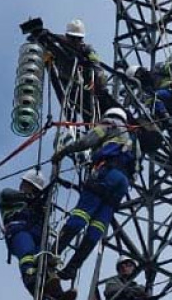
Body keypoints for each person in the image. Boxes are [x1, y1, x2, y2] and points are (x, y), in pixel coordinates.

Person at [52, 107, 136, 280]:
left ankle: (52, 253)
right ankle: (72, 268)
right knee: (97, 226)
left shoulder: (109, 124)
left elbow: (87, 142)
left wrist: (64, 151)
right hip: (122, 184)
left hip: (107, 174)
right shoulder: (133, 138)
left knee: (82, 213)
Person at [0, 170, 77, 300]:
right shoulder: (8, 197)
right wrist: (30, 197)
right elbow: (8, 195)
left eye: (35, 190)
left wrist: (44, 201)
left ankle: (57, 297)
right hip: (19, 230)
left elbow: (45, 212)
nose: (31, 191)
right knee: (28, 254)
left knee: (47, 261)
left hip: (38, 234)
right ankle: (32, 283)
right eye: (30, 187)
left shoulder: (38, 204)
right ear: (24, 184)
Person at [126, 61, 172, 144]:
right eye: (137, 77)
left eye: (139, 74)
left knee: (155, 97)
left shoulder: (156, 70)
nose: (141, 77)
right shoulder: (145, 90)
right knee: (158, 113)